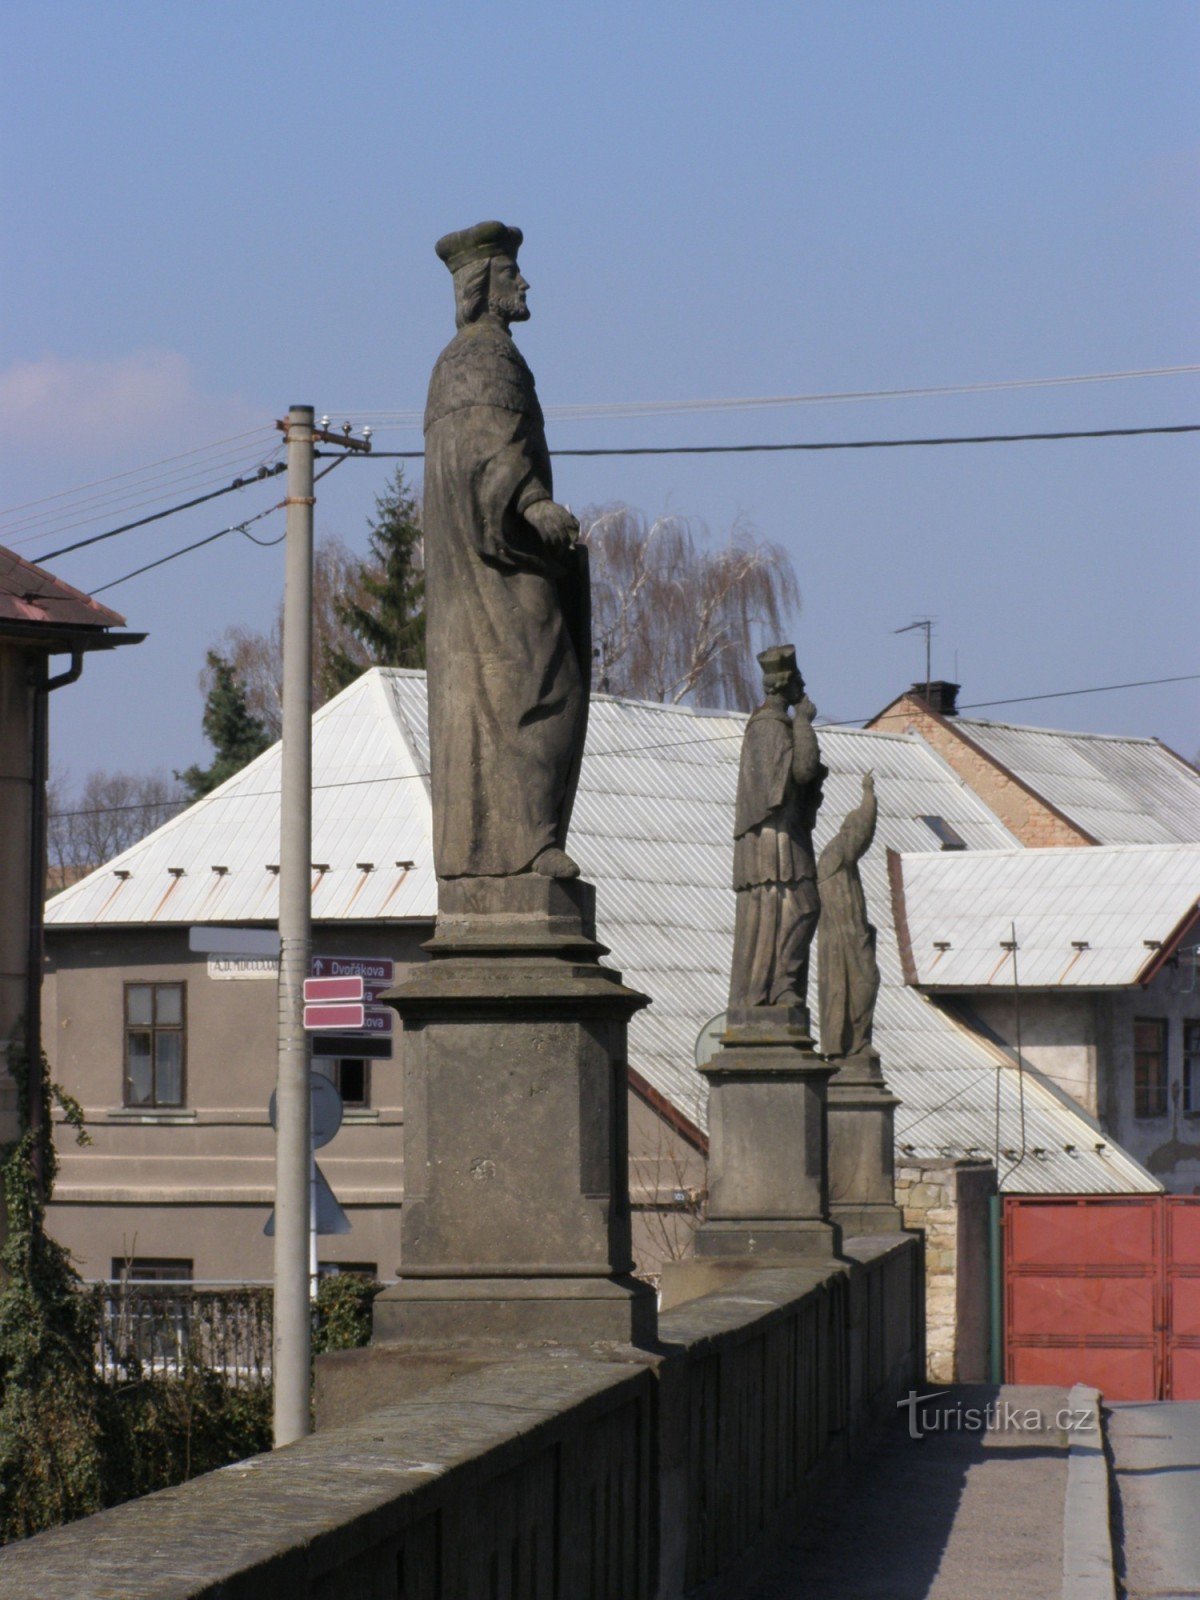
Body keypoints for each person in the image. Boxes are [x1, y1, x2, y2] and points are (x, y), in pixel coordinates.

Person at [423, 221, 590, 881]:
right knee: (546, 691)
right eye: (513, 274)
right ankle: (524, 845)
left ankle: (500, 849)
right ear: (484, 286)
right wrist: (533, 504)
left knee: (495, 705)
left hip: (481, 575)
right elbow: (487, 450)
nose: (525, 284)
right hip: (498, 569)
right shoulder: (486, 358)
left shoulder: (461, 361)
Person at [729, 644, 826, 1017]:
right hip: (774, 840)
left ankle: (775, 990)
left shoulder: (764, 726)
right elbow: (801, 771)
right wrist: (804, 722)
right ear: (787, 684)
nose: (804, 689)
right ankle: (775, 990)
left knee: (781, 910)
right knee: (797, 906)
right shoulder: (771, 727)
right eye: (800, 681)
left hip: (778, 836)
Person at [817, 771, 881, 1061]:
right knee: (864, 980)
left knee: (866, 980)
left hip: (851, 936)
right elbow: (863, 831)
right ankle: (851, 1043)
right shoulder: (836, 854)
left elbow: (861, 833)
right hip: (845, 940)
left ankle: (856, 1041)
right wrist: (868, 793)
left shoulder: (839, 856)